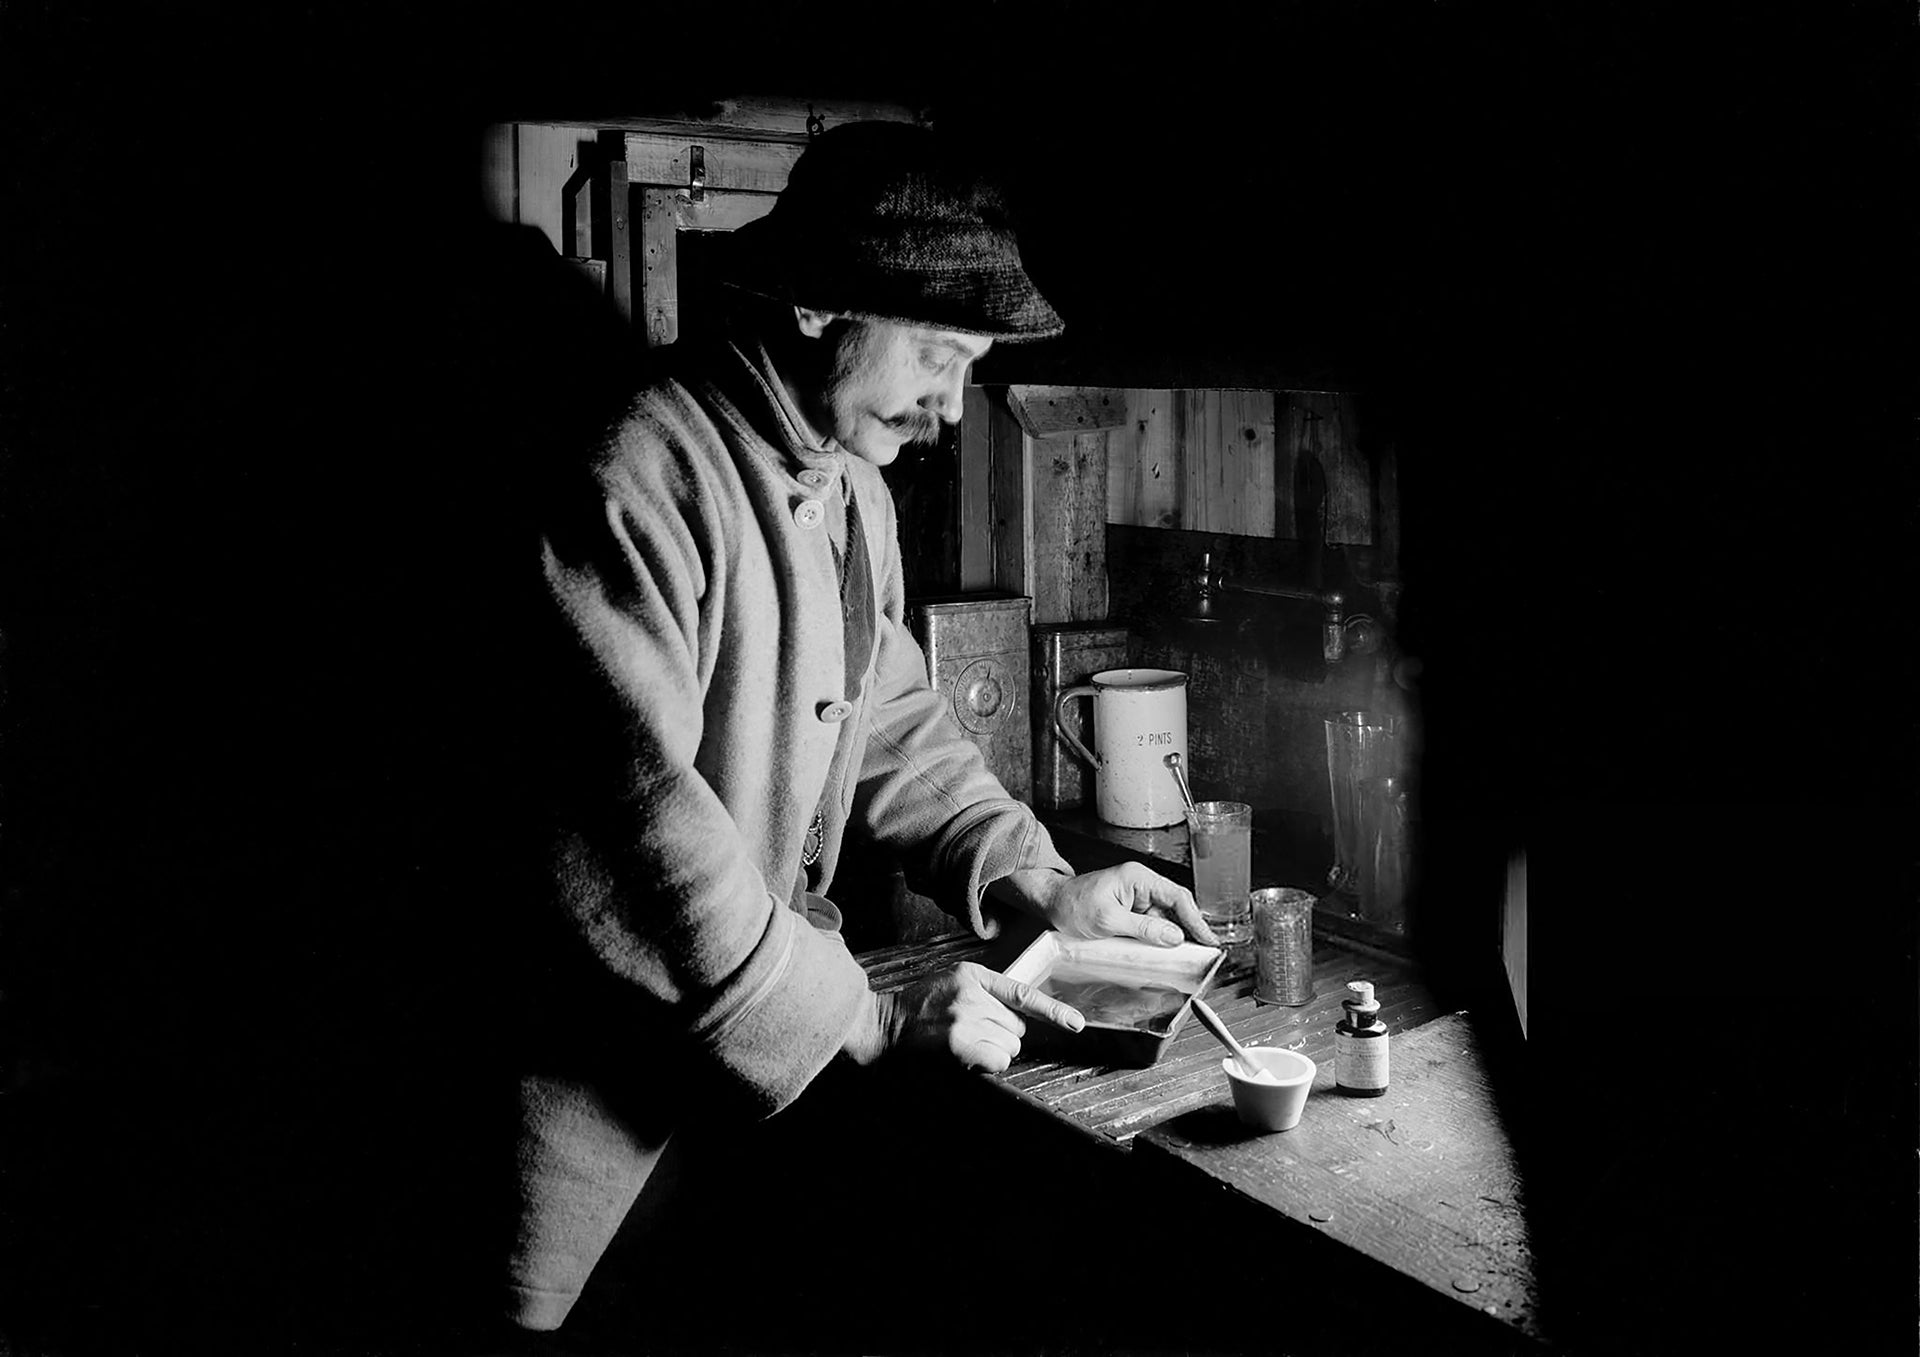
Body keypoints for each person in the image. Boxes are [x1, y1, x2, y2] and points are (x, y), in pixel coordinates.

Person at [502, 120, 1213, 1334]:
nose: (952, 403)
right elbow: (650, 846)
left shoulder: (849, 488)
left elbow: (891, 725)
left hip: (735, 1111)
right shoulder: (634, 473)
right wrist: (872, 1017)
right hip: (591, 1138)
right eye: (938, 354)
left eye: (973, 362)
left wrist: (1045, 882)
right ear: (825, 305)